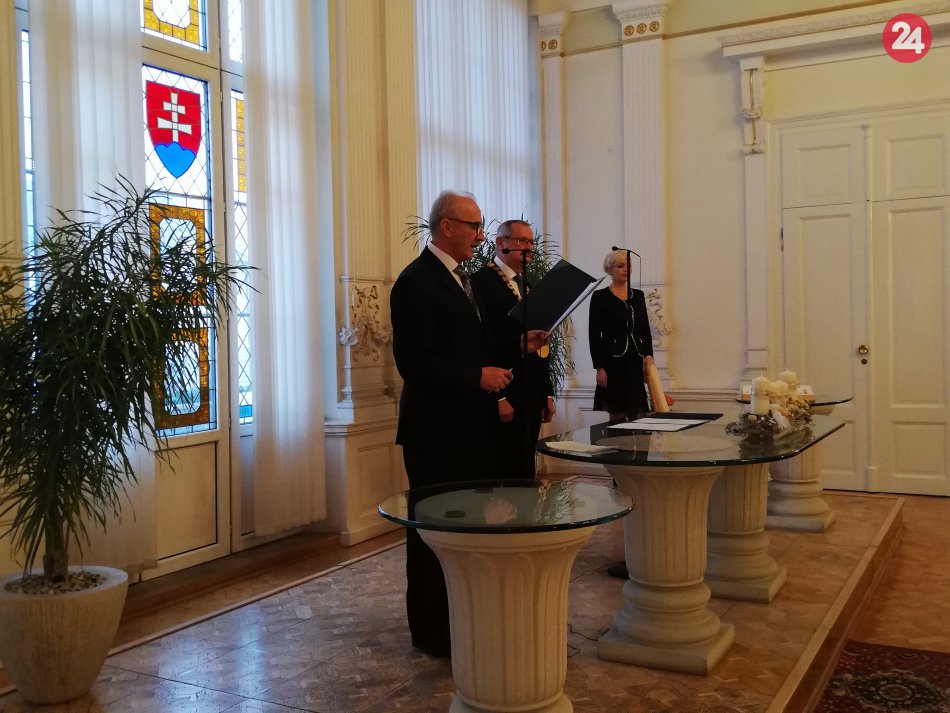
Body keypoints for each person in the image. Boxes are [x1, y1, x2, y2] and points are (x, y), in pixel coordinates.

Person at [390, 191, 547, 658]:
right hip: (435, 432)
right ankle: (432, 631)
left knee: (463, 529)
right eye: (474, 226)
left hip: (468, 428)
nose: (481, 236)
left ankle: (461, 618)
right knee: (433, 532)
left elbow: (470, 346)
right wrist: (476, 377)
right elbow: (414, 363)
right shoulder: (417, 281)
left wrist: (519, 345)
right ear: (447, 227)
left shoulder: (460, 279)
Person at [471, 220, 555, 480]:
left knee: (525, 466)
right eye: (522, 241)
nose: (528, 247)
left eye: (531, 242)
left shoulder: (528, 284)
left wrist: (546, 391)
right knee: (504, 471)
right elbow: (481, 344)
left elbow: (541, 343)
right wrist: (498, 398)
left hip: (531, 389)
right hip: (503, 389)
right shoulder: (480, 282)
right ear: (501, 243)